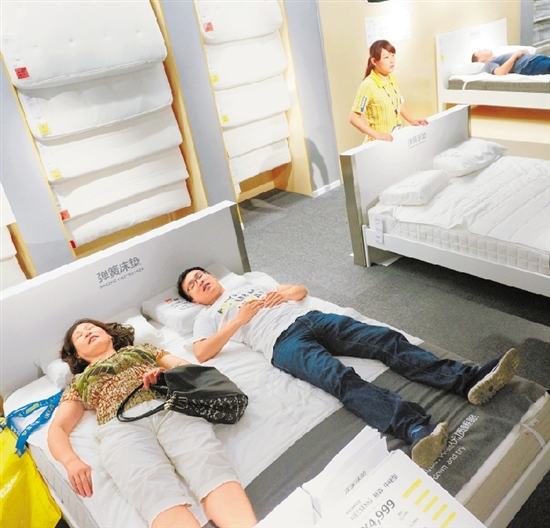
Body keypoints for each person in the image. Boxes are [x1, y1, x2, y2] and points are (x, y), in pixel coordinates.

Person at [177, 267, 519, 469]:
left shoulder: (249, 283)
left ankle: (468, 379)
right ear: (193, 299)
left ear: (213, 276)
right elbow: (203, 352)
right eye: (192, 285)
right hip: (282, 344)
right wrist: (239, 321)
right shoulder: (207, 317)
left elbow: (300, 290)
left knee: (383, 339)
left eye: (200, 275)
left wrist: (285, 294)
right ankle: (415, 428)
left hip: (309, 318)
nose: (200, 281)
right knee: (338, 378)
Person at [48, 318, 257, 528]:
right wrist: (71, 462)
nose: (87, 332)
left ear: (109, 334)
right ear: (77, 354)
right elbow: (58, 428)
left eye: (91, 328)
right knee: (156, 495)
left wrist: (168, 376)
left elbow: (188, 369)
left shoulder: (142, 349)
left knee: (209, 467)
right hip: (120, 429)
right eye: (79, 335)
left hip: (169, 408)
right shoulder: (79, 382)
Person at [350, 39, 428, 143]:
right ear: (374, 61)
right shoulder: (368, 85)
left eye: (393, 55)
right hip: (377, 144)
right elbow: (354, 118)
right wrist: (377, 135)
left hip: (393, 141)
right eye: (386, 57)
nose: (392, 61)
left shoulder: (392, 78)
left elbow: (399, 103)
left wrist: (412, 120)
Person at [472, 48, 550, 75]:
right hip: (529, 65)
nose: (484, 49)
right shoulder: (488, 64)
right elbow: (500, 72)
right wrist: (515, 55)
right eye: (480, 51)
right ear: (480, 60)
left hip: (536, 59)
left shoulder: (496, 58)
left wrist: (523, 53)